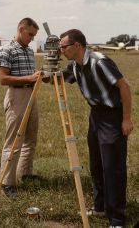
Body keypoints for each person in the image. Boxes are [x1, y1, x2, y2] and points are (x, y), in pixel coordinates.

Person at [59, 29, 133, 228]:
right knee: (96, 164)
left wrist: (126, 119)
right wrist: (43, 74)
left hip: (112, 116)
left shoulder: (99, 62)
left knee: (113, 168)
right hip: (96, 116)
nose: (61, 50)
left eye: (64, 47)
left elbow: (124, 87)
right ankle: (100, 206)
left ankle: (117, 218)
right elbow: (58, 78)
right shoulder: (75, 65)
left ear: (77, 46)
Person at [0, 17, 40, 197]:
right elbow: (3, 79)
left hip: (32, 94)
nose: (31, 38)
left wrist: (40, 77)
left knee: (31, 137)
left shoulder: (29, 51)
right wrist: (29, 78)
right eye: (30, 34)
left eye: (34, 35)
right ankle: (7, 183)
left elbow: (31, 76)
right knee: (14, 141)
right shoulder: (7, 50)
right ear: (21, 29)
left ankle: (26, 173)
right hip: (17, 96)